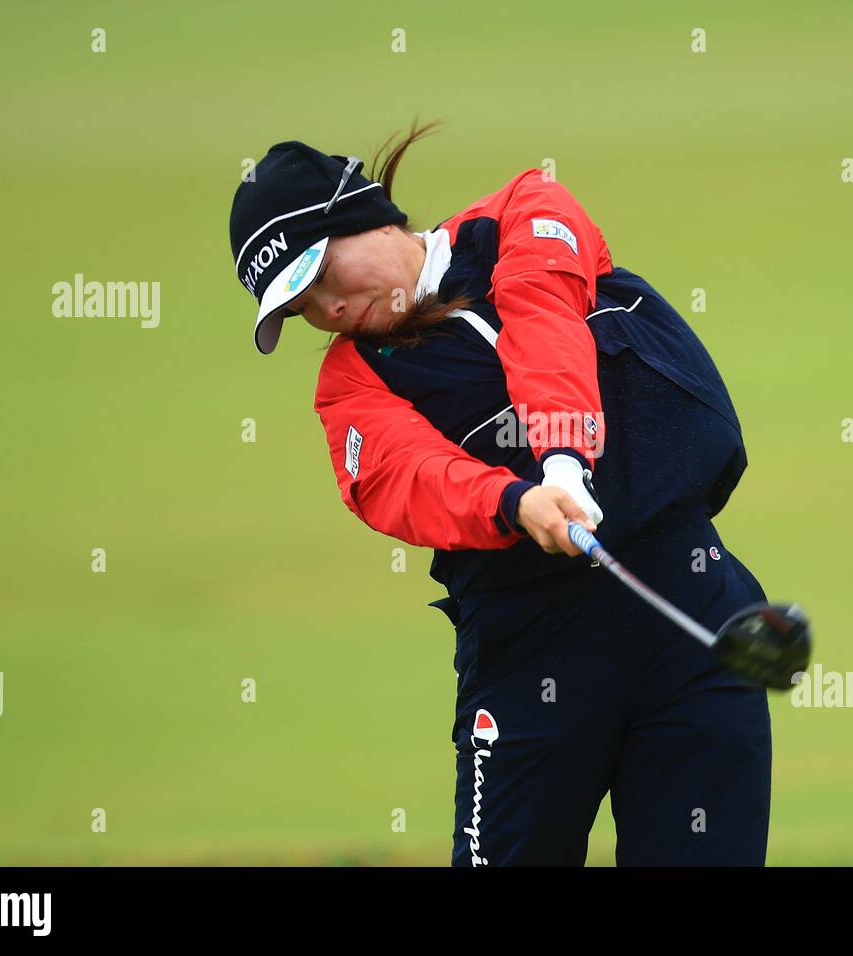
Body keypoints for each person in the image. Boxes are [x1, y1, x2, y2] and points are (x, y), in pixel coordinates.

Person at [228, 121, 773, 866]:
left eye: (321, 275)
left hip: (691, 605)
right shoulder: (353, 383)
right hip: (531, 654)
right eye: (299, 308)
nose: (326, 309)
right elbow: (408, 477)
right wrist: (516, 502)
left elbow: (543, 319)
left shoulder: (519, 213)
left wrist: (562, 465)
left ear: (362, 213)